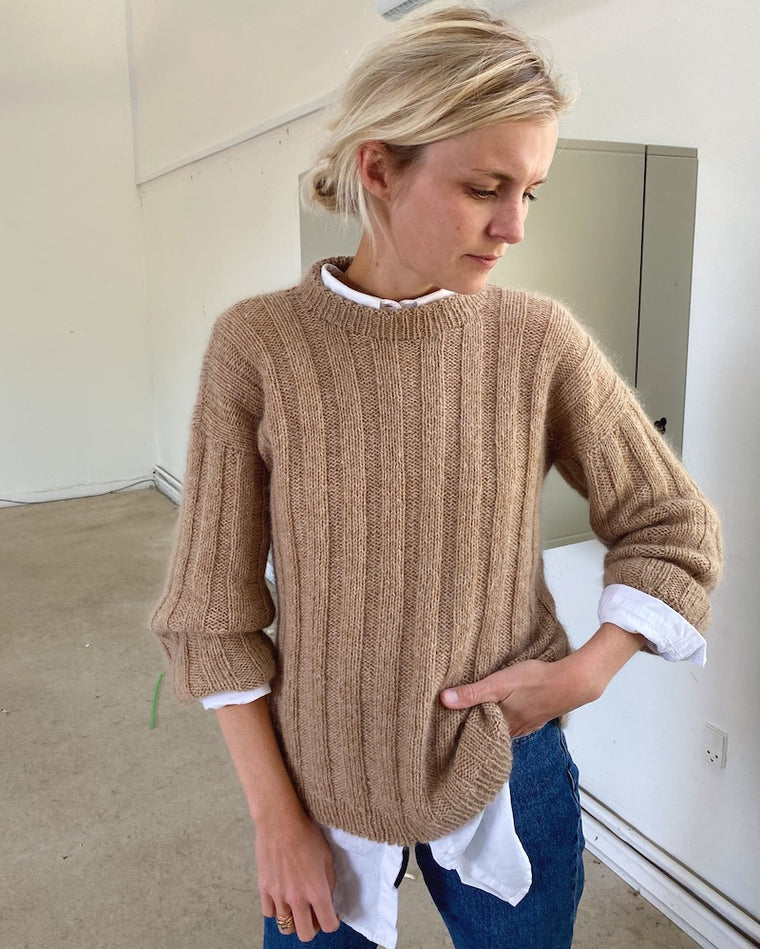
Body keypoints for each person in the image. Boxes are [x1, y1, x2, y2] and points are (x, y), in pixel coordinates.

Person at [149, 6, 722, 947]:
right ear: (377, 168)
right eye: (484, 187)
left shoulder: (536, 340)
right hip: (317, 776)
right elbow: (211, 612)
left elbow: (671, 522)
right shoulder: (259, 346)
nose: (513, 226)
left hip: (512, 769)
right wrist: (274, 818)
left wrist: (584, 675)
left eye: (530, 191)